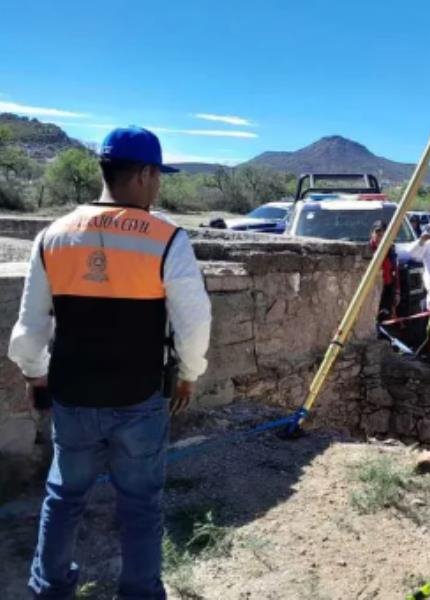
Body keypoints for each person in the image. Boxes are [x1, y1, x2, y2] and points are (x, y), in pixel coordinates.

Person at [7, 126, 212, 599]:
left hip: (73, 396)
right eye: (157, 174)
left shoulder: (52, 235)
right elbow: (194, 324)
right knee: (141, 504)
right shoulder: (167, 239)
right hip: (138, 396)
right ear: (141, 174)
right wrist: (189, 374)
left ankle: (49, 587)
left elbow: (29, 328)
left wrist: (35, 375)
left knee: (63, 496)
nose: (158, 184)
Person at [371, 220, 400, 329]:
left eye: (384, 235)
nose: (380, 238)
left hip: (388, 289)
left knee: (385, 318)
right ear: (372, 234)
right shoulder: (368, 250)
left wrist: (397, 292)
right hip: (373, 291)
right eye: (378, 234)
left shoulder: (390, 250)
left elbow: (395, 271)